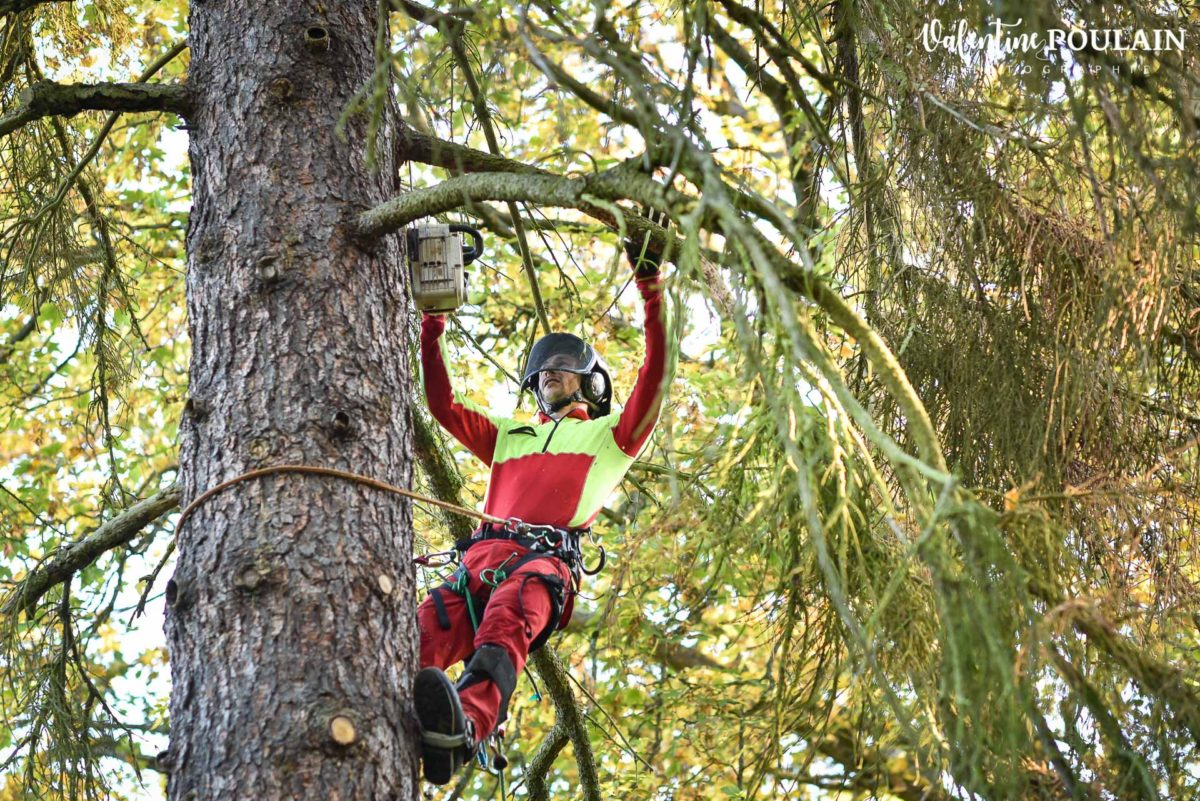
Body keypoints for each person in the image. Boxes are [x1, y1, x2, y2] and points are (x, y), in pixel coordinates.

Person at [413, 227, 669, 784]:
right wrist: (433, 324)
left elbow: (655, 378)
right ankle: (400, 715)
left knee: (506, 625)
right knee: (416, 636)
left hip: (540, 566)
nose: (550, 368)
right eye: (543, 364)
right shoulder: (511, 434)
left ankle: (466, 727)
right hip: (476, 567)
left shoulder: (611, 437)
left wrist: (651, 290)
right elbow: (443, 403)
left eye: (565, 362)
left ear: (590, 383)